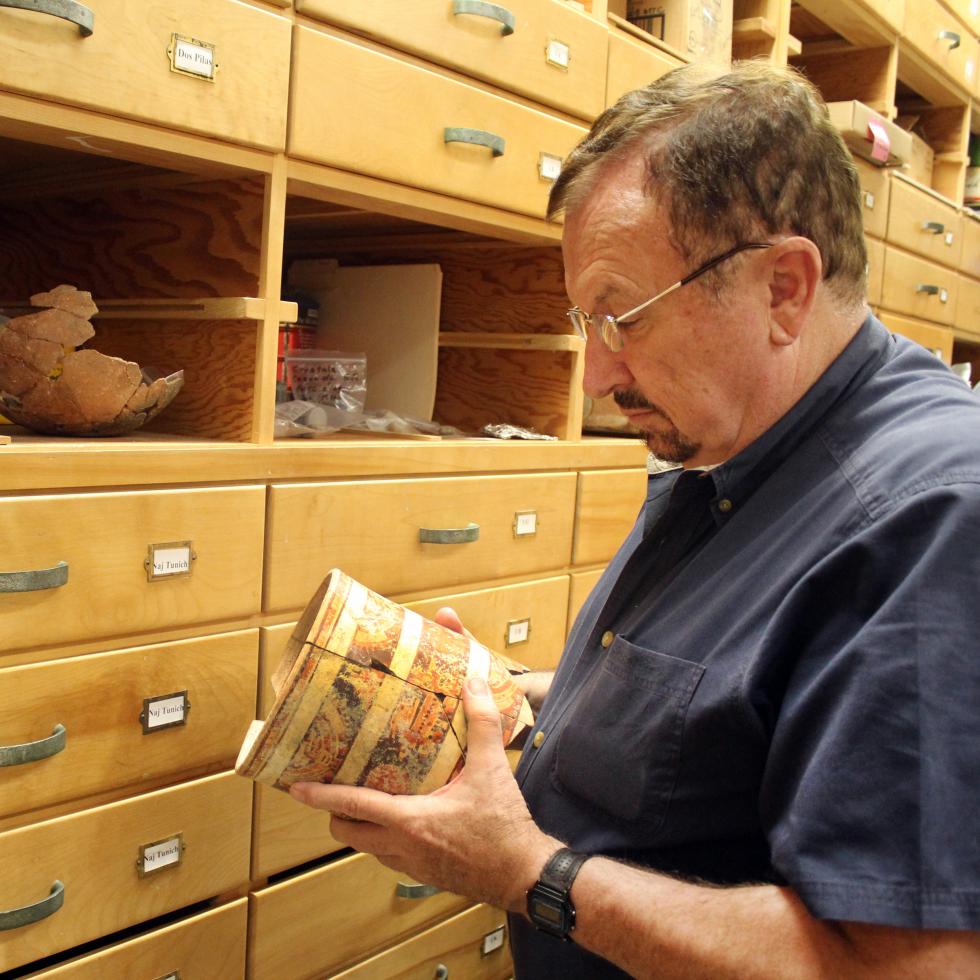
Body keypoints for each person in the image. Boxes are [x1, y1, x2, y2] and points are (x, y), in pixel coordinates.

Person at [290, 62, 980, 977]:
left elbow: (914, 970)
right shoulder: (736, 440)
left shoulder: (931, 521)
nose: (596, 379)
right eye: (585, 321)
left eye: (623, 318)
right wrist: (507, 695)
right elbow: (718, 714)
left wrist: (530, 872)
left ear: (783, 288)